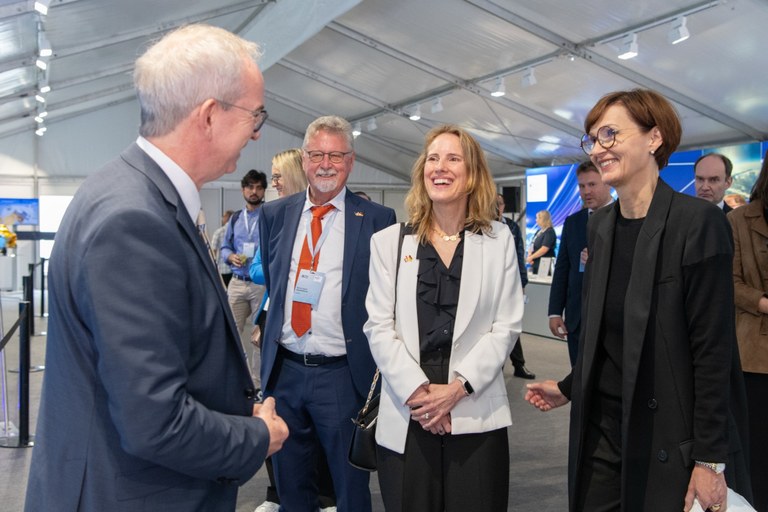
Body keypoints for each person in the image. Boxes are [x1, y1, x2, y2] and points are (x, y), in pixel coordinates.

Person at [24, 24, 288, 512]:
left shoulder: (125, 189)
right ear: (209, 115)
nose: (257, 131)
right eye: (256, 114)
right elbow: (155, 421)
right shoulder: (134, 220)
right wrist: (255, 435)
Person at [525, 89, 752, 511]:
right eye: (592, 138)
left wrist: (709, 459)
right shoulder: (602, 227)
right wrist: (570, 387)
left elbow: (713, 352)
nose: (598, 148)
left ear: (654, 138)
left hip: (667, 437)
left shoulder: (696, 223)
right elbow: (607, 337)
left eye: (610, 134)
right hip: (601, 433)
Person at [365, 124, 524, 511]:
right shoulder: (388, 242)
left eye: (454, 158)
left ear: (472, 176)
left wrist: (456, 391)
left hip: (473, 408)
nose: (441, 167)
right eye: (433, 158)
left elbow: (505, 326)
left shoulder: (499, 241)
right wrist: (422, 396)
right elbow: (378, 327)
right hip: (409, 411)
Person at [258, 115, 396, 512]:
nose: (326, 164)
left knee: (350, 488)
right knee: (291, 486)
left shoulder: (377, 220)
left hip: (342, 375)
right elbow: (274, 283)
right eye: (317, 154)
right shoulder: (275, 215)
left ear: (351, 161)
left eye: (336, 155)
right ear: (303, 159)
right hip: (284, 372)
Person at [252, 149, 337, 512]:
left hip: (330, 348)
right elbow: (266, 274)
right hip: (284, 337)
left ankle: (327, 495)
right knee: (282, 427)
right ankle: (281, 496)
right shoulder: (274, 216)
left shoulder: (335, 216)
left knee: (327, 436)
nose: (273, 182)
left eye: (276, 175)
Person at [728, 151, 768, 512]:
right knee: (756, 453)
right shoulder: (739, 220)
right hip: (754, 356)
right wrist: (762, 303)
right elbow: (731, 282)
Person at [548, 162, 613, 366]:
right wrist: (555, 311)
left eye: (592, 185)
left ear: (608, 183)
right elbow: (562, 269)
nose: (586, 191)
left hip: (611, 319)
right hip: (577, 318)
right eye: (582, 186)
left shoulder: (625, 217)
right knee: (578, 379)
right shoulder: (573, 222)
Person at [221, 169, 268, 382]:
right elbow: (224, 247)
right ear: (243, 190)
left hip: (261, 284)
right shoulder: (236, 218)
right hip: (237, 283)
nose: (254, 191)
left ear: (264, 190)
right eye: (250, 187)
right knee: (229, 333)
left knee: (260, 335)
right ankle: (236, 379)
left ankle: (258, 383)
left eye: (258, 187)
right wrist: (230, 257)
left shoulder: (270, 214)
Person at [496, 192, 535, 379]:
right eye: (492, 204)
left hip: (510, 284)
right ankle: (497, 369)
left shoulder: (511, 227)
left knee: (512, 326)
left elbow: (519, 255)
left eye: (500, 204)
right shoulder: (480, 225)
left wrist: (522, 282)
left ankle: (519, 365)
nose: (496, 207)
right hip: (492, 286)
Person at [526, 209, 555, 274]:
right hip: (536, 263)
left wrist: (531, 257)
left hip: (545, 264)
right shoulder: (539, 231)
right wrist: (530, 254)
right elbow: (532, 244)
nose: (536, 220)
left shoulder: (549, 232)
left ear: (543, 219)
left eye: (537, 218)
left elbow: (544, 249)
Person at [212, 210, 235, 286]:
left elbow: (213, 251)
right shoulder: (237, 231)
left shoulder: (218, 232)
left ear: (226, 218)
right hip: (234, 269)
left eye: (223, 216)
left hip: (221, 270)